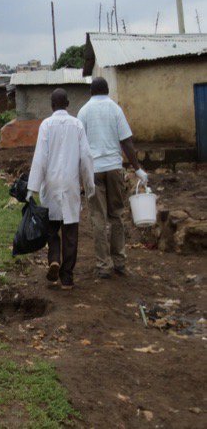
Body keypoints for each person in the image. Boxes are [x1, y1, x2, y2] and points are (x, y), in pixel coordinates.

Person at [78, 77, 147, 279]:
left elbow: (80, 145)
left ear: (91, 91)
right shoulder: (115, 109)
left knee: (98, 217)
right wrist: (138, 168)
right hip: (114, 168)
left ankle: (103, 265)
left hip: (93, 171)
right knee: (116, 215)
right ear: (107, 91)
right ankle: (120, 262)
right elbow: (126, 141)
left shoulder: (83, 112)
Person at [27, 89, 95, 290]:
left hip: (50, 184)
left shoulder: (46, 125)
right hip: (71, 184)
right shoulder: (77, 125)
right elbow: (86, 157)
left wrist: (32, 188)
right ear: (67, 103)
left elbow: (40, 158)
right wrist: (89, 185)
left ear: (51, 105)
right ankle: (67, 277)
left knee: (51, 228)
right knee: (71, 231)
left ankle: (54, 259)